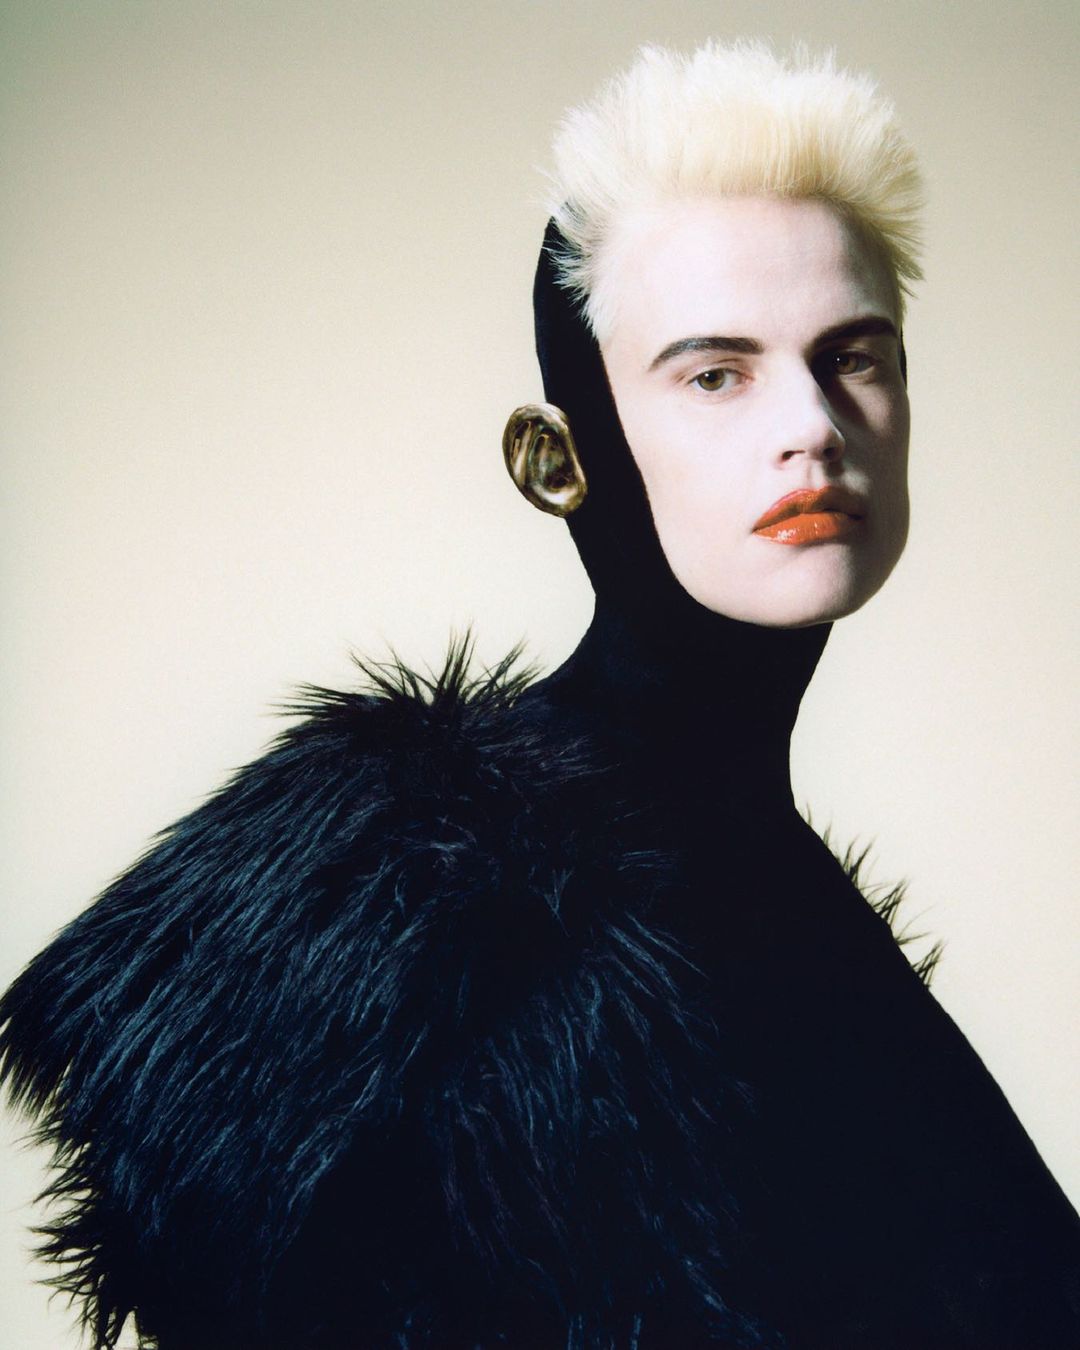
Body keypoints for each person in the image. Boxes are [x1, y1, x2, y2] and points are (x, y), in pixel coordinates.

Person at [1, 39, 1077, 1350]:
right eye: (715, 373)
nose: (812, 423)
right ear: (556, 460)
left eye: (855, 357)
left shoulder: (783, 892)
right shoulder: (407, 898)